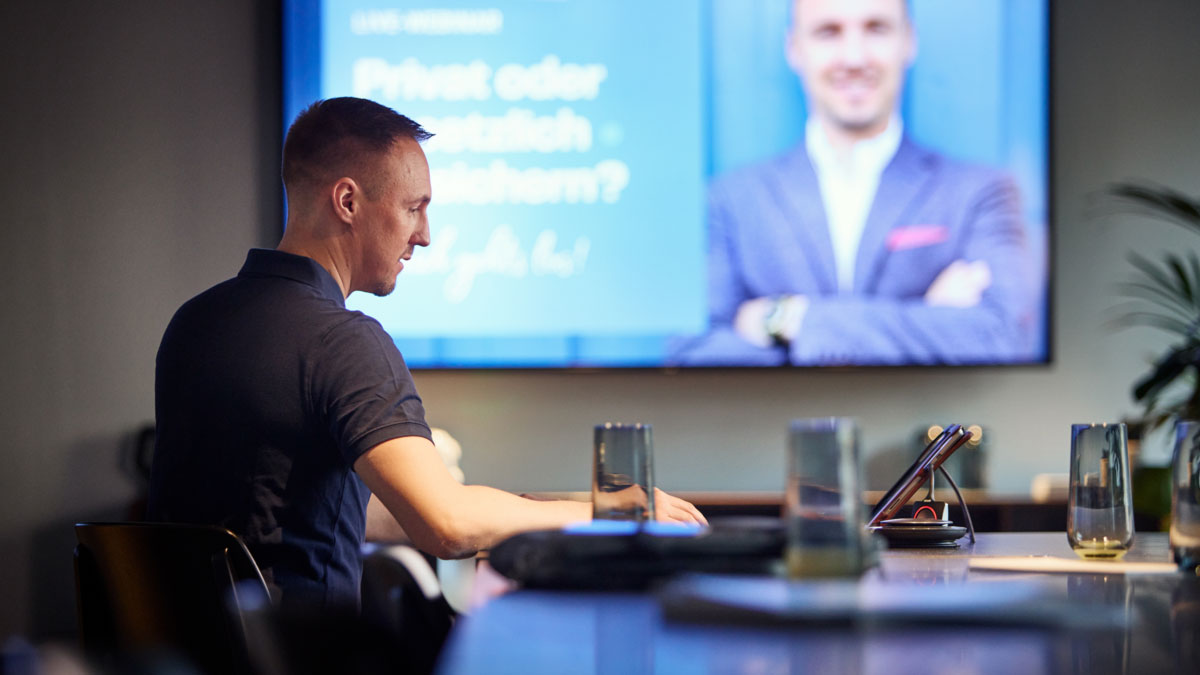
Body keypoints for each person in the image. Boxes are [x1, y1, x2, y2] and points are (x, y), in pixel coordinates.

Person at [147, 97, 705, 611]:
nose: (425, 235)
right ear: (347, 201)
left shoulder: (193, 323)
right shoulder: (342, 341)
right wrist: (614, 513)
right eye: (414, 208)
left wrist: (534, 511)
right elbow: (447, 526)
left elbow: (300, 515)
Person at [674, 0, 1037, 366]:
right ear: (794, 49)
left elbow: (1002, 337)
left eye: (875, 28)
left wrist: (784, 318)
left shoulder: (980, 193)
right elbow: (691, 354)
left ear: (908, 40)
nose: (853, 57)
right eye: (828, 32)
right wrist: (924, 319)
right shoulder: (729, 200)